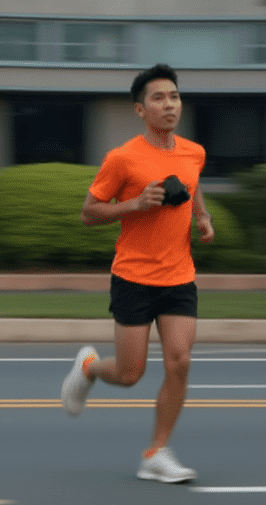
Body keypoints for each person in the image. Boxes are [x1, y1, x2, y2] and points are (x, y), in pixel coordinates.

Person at [61, 63, 214, 483]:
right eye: (158, 98)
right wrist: (134, 204)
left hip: (179, 276)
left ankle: (156, 453)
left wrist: (202, 217)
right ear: (140, 110)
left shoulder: (194, 152)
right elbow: (89, 213)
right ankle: (89, 367)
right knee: (130, 374)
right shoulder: (123, 158)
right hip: (133, 276)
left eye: (174, 96)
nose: (169, 105)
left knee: (180, 362)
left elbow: (193, 183)